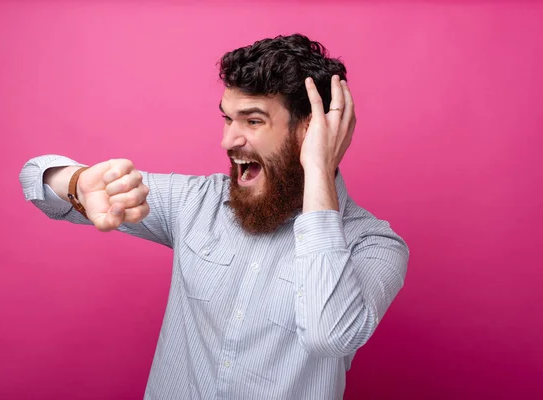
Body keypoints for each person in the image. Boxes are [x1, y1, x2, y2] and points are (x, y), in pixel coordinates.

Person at [20, 33, 409, 400]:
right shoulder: (197, 202)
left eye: (253, 121)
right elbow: (35, 177)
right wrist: (78, 182)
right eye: (227, 118)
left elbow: (330, 335)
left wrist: (319, 171)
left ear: (312, 131)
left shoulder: (374, 245)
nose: (228, 141)